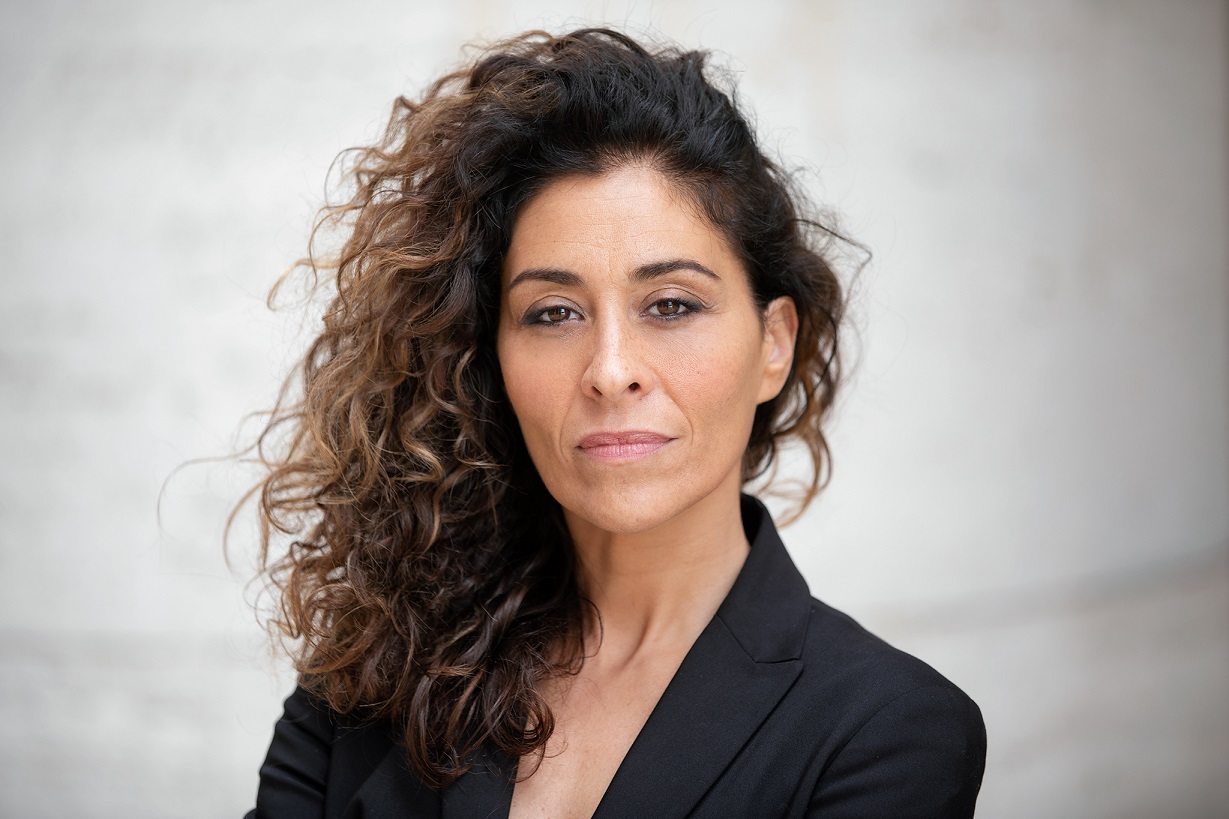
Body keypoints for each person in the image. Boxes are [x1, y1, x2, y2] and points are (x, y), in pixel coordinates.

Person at [243, 27, 986, 818]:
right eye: (552, 312)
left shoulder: (887, 730)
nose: (608, 368)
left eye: (670, 304)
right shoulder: (369, 679)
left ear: (774, 343)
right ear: (488, 357)